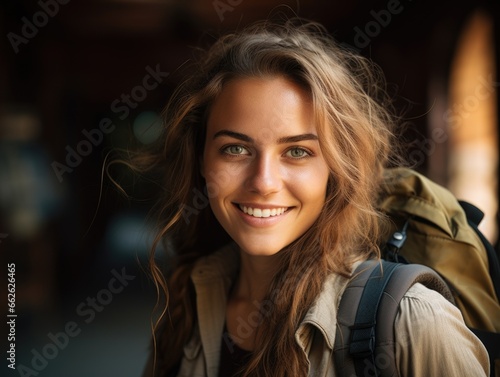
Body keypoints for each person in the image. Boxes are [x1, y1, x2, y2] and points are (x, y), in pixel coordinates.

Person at [137, 19, 490, 377]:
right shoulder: (187, 303)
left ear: (336, 168)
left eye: (297, 152)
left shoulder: (414, 323)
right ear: (200, 158)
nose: (263, 182)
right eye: (236, 148)